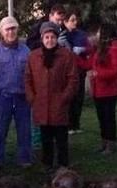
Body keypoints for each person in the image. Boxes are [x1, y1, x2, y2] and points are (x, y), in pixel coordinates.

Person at [25, 21, 78, 172]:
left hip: (58, 103)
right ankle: (47, 163)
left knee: (61, 137)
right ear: (42, 39)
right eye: (46, 37)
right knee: (45, 137)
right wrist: (31, 97)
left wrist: (64, 97)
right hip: (41, 103)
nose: (49, 40)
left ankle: (63, 164)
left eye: (52, 37)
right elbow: (27, 78)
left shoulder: (66, 56)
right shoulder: (34, 56)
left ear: (56, 38)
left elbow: (73, 79)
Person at [0, 16, 32, 170]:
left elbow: (31, 73)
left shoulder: (26, 51)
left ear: (17, 30)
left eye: (13, 28)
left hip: (22, 98)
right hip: (2, 98)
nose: (11, 32)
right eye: (7, 29)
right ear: (1, 31)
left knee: (24, 130)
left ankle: (24, 158)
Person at [79, 24, 117, 154]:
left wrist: (99, 74)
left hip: (109, 90)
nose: (97, 35)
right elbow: (89, 64)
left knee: (108, 116)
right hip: (98, 90)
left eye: (99, 32)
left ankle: (111, 143)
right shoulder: (98, 49)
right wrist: (75, 57)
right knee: (101, 117)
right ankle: (104, 141)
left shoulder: (115, 48)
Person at [61, 11, 91, 134]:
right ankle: (68, 125)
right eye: (72, 20)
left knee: (79, 97)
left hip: (80, 68)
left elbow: (89, 48)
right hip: (67, 71)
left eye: (75, 20)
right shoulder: (62, 35)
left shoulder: (81, 34)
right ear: (65, 22)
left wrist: (83, 49)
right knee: (70, 97)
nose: (75, 22)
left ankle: (76, 124)